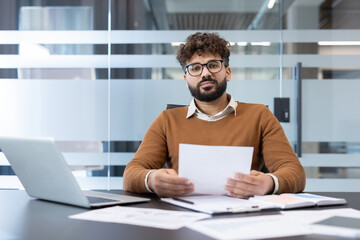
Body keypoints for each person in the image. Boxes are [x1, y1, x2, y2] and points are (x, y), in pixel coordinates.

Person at [123, 32, 305, 199]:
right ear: (186, 80)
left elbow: (294, 172)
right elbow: (131, 174)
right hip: (183, 216)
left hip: (243, 216)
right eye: (195, 68)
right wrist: (152, 179)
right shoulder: (167, 120)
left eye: (213, 65)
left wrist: (269, 183)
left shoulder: (260, 116)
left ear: (227, 72)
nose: (205, 73)